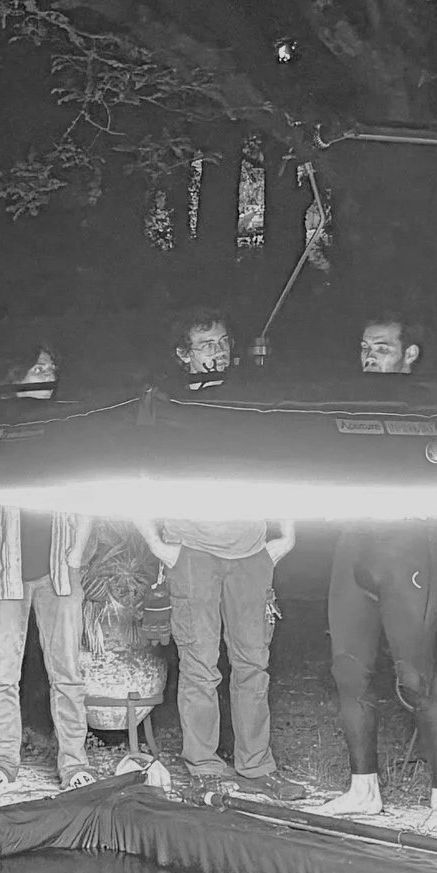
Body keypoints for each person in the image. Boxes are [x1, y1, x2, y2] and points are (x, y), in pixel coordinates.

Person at [138, 312, 308, 801]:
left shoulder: (248, 398)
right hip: (193, 551)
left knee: (253, 662)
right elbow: (139, 470)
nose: (216, 351)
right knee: (200, 664)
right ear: (182, 354)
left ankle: (257, 766)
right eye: (204, 344)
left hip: (251, 549)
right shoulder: (165, 404)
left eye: (222, 342)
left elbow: (280, 463)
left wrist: (287, 533)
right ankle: (206, 765)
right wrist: (154, 539)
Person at [316, 311, 437, 835]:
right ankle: (363, 789)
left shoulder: (432, 405)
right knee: (348, 671)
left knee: (417, 678)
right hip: (354, 544)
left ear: (410, 354)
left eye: (381, 346)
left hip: (408, 549)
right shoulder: (349, 404)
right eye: (364, 346)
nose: (369, 354)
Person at [0, 491, 96, 787]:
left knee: (67, 674)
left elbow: (88, 492)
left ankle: (74, 764)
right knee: (3, 676)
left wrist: (75, 554)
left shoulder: (62, 446)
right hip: (0, 571)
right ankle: (3, 762)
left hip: (59, 572)